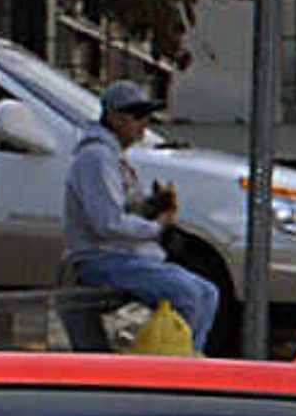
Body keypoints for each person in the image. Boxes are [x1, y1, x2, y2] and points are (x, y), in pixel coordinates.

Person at [64, 80, 220, 352]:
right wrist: (157, 230)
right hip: (102, 259)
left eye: (145, 115)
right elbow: (107, 223)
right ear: (112, 117)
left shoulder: (114, 156)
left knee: (209, 292)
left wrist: (150, 208)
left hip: (126, 255)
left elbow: (120, 210)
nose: (143, 124)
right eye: (135, 116)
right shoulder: (97, 158)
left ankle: (188, 358)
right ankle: (172, 368)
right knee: (188, 296)